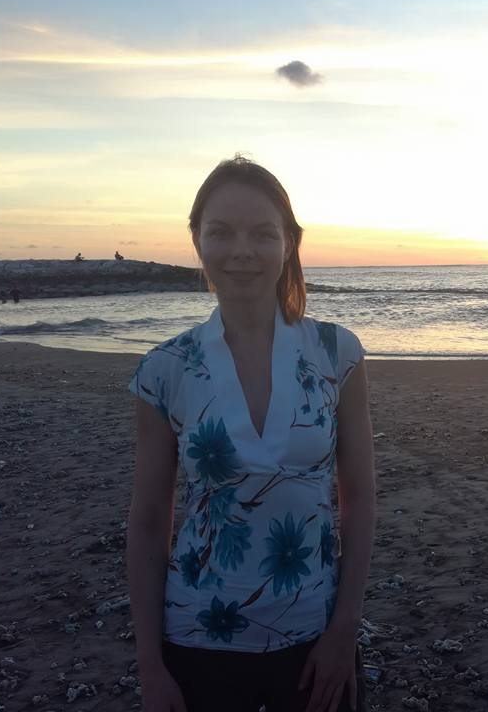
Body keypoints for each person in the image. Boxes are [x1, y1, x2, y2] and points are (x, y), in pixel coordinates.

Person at [126, 155, 376, 712]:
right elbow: (148, 521)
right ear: (197, 241)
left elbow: (359, 500)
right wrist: (150, 665)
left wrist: (344, 631)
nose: (242, 250)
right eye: (221, 232)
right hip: (198, 635)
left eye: (263, 233)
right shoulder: (165, 370)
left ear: (289, 243)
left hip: (315, 633)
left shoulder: (337, 353)